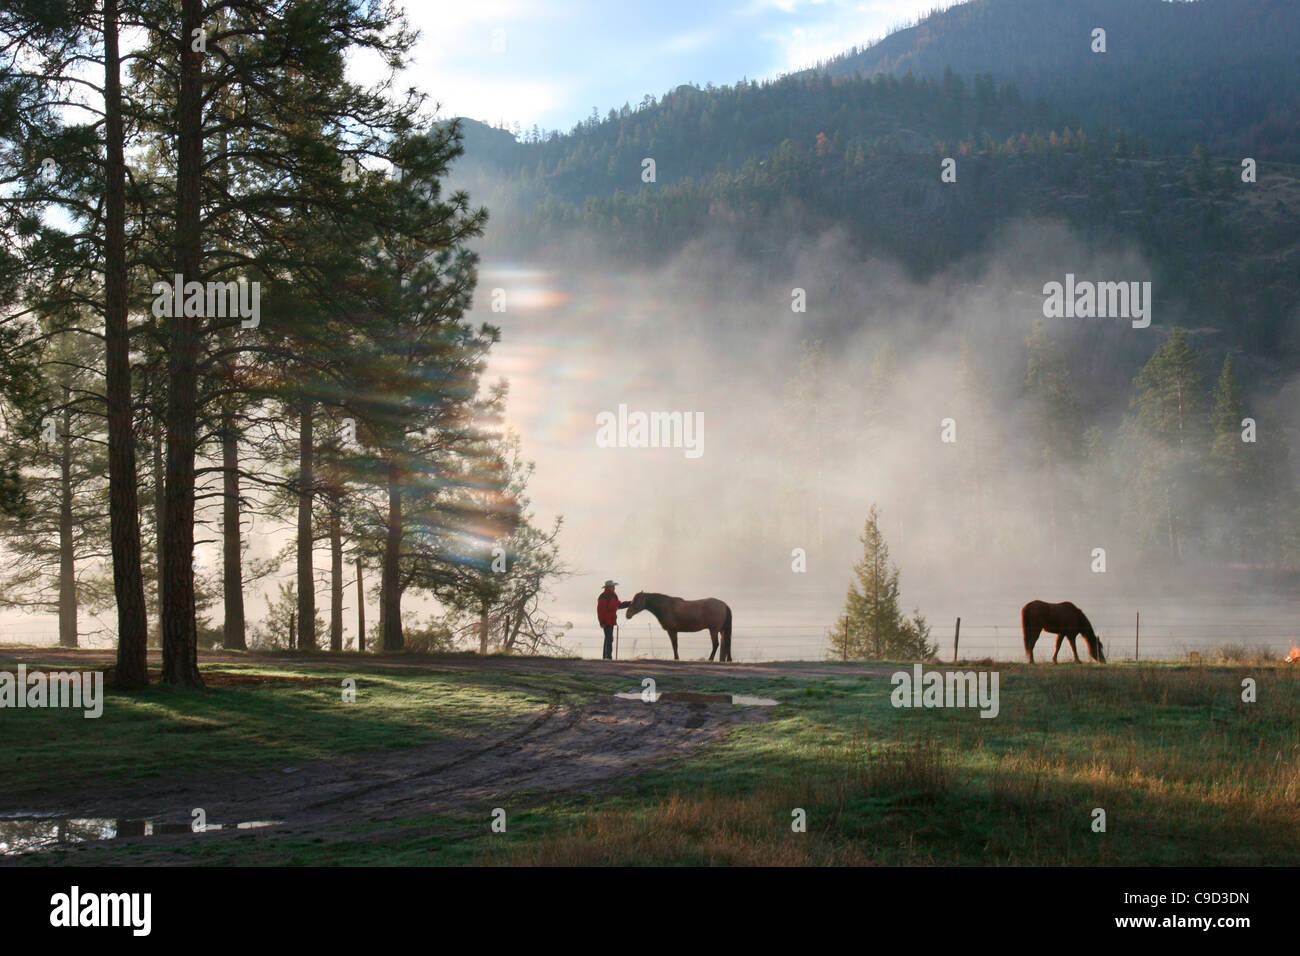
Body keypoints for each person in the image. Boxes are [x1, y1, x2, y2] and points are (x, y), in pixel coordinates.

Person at [597, 580, 630, 660]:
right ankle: (608, 657)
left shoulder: (613, 596)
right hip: (606, 621)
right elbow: (600, 611)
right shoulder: (603, 597)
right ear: (608, 587)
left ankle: (606, 657)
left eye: (614, 586)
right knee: (609, 638)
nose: (614, 588)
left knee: (608, 638)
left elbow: (619, 605)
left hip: (611, 620)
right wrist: (602, 622)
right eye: (613, 586)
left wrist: (630, 603)